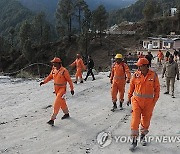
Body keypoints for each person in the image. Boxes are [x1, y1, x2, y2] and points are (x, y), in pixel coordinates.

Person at [127, 58, 160, 151]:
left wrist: (154, 101)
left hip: (149, 103)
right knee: (135, 120)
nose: (138, 67)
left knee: (146, 122)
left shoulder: (153, 75)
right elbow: (131, 87)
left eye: (140, 66)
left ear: (145, 66)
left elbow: (157, 89)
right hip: (136, 101)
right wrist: (129, 97)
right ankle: (134, 140)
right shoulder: (136, 75)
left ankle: (142, 136)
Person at [40, 57, 74, 126]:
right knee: (62, 102)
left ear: (59, 63)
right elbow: (50, 77)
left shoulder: (64, 71)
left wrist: (72, 89)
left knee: (57, 102)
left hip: (62, 89)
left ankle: (52, 119)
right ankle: (66, 113)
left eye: (54, 63)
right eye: (53, 63)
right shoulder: (53, 70)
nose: (53, 64)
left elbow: (69, 80)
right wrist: (44, 82)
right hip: (56, 88)